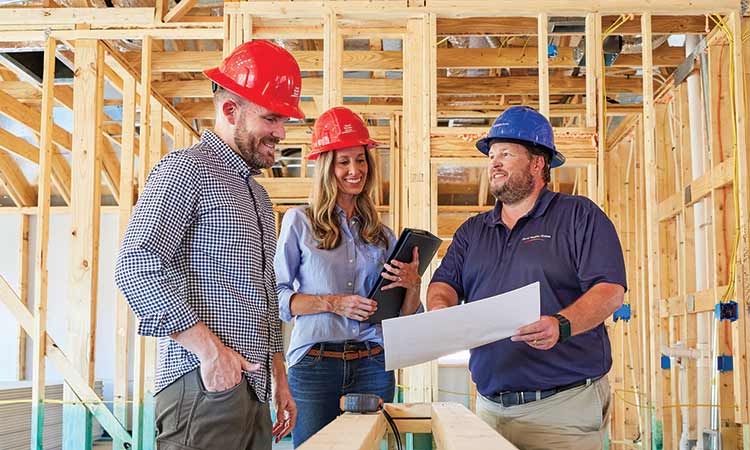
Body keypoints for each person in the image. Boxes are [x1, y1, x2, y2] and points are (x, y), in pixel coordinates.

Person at [115, 40, 303, 450]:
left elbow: (265, 295)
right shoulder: (187, 169)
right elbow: (136, 264)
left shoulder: (256, 194)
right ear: (231, 110)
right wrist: (210, 352)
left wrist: (280, 376)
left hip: (253, 388)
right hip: (202, 386)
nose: (281, 133)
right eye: (271, 119)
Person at [427, 106, 627, 450]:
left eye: (506, 153)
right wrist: (441, 309)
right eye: (491, 155)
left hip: (562, 410)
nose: (495, 163)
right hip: (489, 409)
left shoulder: (579, 216)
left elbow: (610, 291)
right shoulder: (472, 232)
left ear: (538, 163)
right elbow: (444, 284)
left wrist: (561, 324)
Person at [274, 106, 422, 447]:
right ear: (327, 167)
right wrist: (333, 302)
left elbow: (407, 317)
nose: (355, 170)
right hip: (314, 365)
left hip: (373, 362)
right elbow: (278, 298)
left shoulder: (383, 235)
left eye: (361, 160)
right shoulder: (299, 223)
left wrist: (413, 287)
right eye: (344, 162)